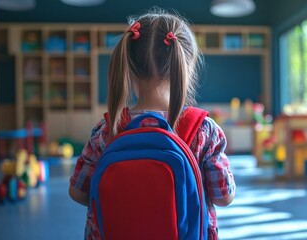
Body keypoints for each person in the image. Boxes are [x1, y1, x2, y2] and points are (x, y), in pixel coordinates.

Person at [69, 8, 236, 240]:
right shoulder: (203, 130)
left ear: (128, 68)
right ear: (185, 68)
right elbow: (223, 196)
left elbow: (78, 191)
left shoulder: (106, 129)